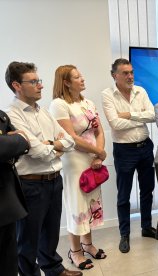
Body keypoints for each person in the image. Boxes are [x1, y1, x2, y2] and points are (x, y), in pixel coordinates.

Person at [5, 61, 80, 276]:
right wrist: (54, 145)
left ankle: (53, 268)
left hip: (54, 179)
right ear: (16, 85)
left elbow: (70, 141)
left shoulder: (43, 111)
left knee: (51, 232)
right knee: (28, 239)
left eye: (40, 81)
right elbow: (36, 151)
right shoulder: (12, 114)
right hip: (30, 184)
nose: (40, 85)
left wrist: (51, 144)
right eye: (34, 81)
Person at [49, 65, 107, 270]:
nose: (82, 79)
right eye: (77, 77)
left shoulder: (88, 102)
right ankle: (74, 251)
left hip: (93, 157)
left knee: (91, 200)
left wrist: (99, 153)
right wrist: (97, 152)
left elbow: (99, 131)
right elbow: (71, 138)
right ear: (66, 82)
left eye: (81, 75)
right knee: (77, 203)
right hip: (74, 160)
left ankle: (87, 244)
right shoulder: (58, 104)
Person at [101, 58, 156, 254]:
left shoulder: (141, 91)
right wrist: (139, 116)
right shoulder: (107, 95)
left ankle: (146, 227)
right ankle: (124, 234)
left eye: (131, 72)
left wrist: (129, 115)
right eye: (125, 73)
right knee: (123, 195)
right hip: (124, 150)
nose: (130, 76)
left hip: (145, 148)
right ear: (114, 75)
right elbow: (115, 124)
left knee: (147, 191)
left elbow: (152, 115)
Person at [0, 110, 30, 276]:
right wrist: (18, 140)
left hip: (6, 202)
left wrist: (14, 143)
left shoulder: (1, 115)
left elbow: (17, 148)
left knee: (9, 264)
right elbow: (20, 141)